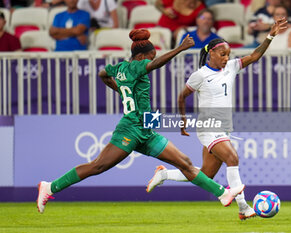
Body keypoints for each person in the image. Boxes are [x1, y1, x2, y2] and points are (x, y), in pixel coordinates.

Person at [36, 28, 245, 214]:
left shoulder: (119, 68)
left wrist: (121, 90)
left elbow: (102, 73)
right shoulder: (137, 66)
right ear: (142, 56)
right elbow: (155, 63)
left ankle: (222, 194)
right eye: (149, 57)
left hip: (146, 129)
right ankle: (49, 187)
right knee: (97, 166)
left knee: (185, 163)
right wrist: (180, 48)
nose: (150, 60)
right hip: (130, 129)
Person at [146, 17, 288, 220]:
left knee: (206, 175)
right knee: (232, 158)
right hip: (208, 127)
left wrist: (270, 35)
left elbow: (255, 56)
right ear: (211, 53)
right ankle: (243, 208)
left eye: (228, 55)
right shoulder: (200, 75)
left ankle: (164, 174)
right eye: (222, 54)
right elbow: (182, 96)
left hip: (223, 128)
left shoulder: (231, 67)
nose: (226, 58)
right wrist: (183, 121)